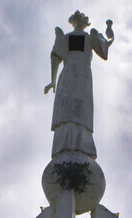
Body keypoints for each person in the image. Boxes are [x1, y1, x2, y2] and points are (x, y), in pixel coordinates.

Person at [44, 11, 114, 158]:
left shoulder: (90, 37)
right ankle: (63, 145)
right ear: (72, 22)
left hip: (83, 77)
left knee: (82, 109)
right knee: (66, 108)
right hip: (68, 75)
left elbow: (104, 49)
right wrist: (53, 81)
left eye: (81, 19)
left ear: (85, 23)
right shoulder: (65, 37)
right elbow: (56, 58)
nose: (78, 21)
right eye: (76, 19)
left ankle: (83, 145)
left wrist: (110, 35)